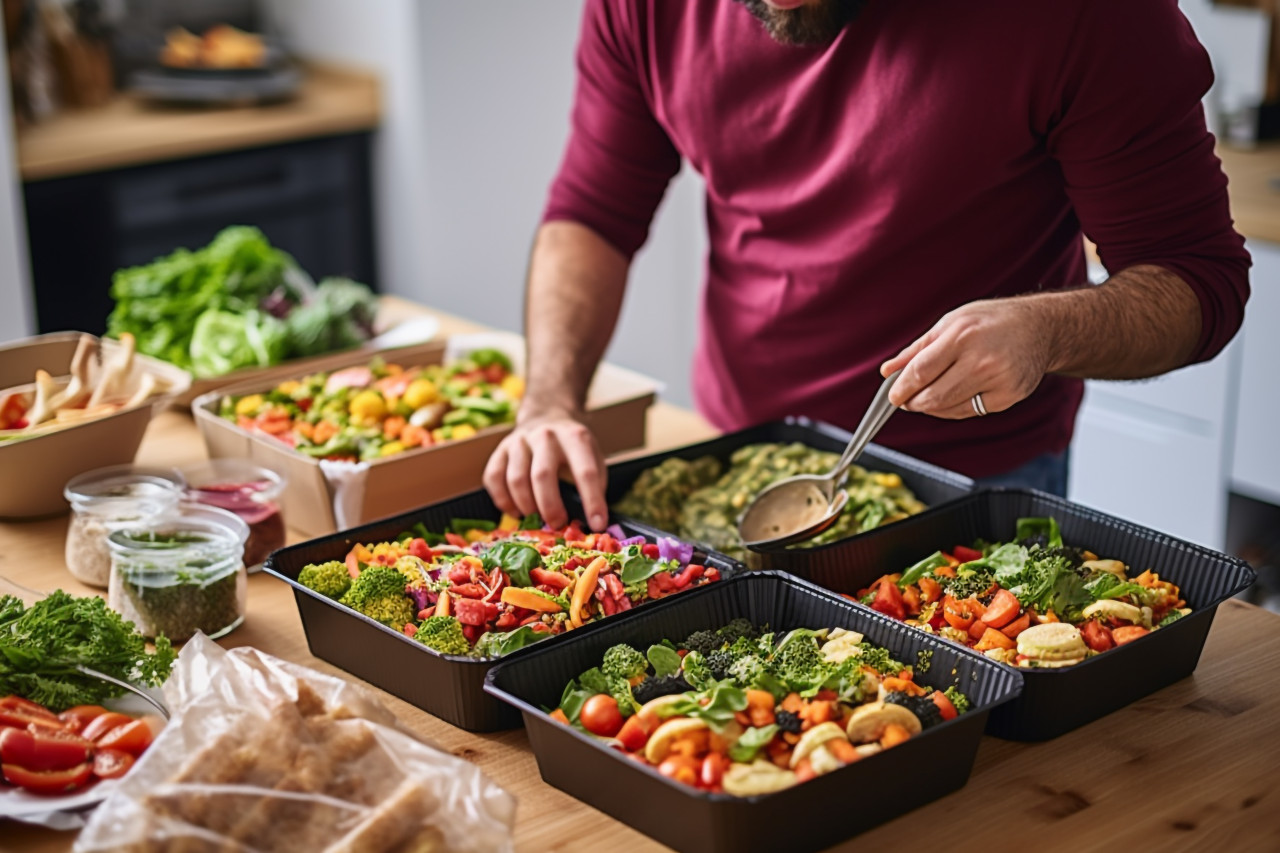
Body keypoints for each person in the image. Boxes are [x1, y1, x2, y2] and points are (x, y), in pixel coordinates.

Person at [483, 0, 1251, 531]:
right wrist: (550, 399)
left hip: (973, 486)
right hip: (734, 452)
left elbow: (1197, 280)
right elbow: (591, 216)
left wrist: (1043, 330)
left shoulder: (1086, 15)